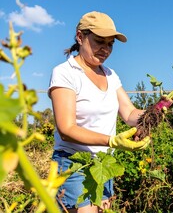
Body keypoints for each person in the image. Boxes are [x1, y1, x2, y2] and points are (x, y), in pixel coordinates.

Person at [48, 11, 151, 213]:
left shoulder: (110, 75)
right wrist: (112, 141)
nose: (105, 49)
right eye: (99, 42)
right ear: (80, 36)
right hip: (74, 163)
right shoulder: (65, 73)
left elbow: (129, 113)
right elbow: (66, 129)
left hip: (103, 163)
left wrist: (158, 109)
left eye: (110, 44)